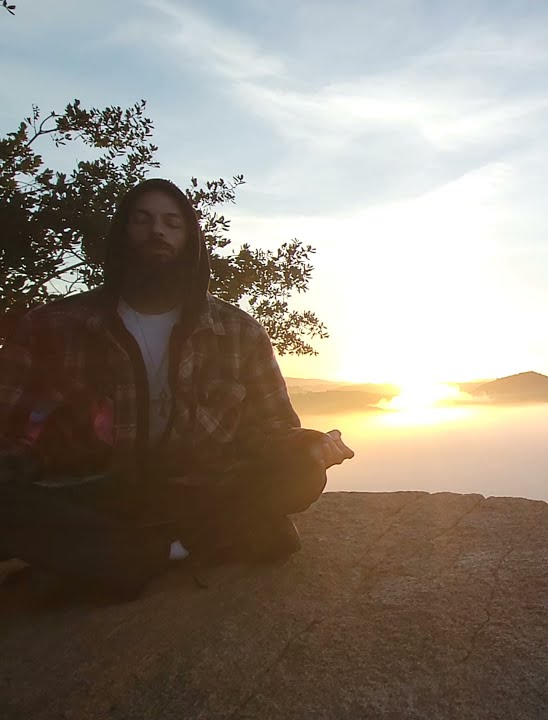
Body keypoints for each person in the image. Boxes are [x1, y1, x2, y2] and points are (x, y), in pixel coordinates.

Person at [0, 178, 353, 603]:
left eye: (172, 223)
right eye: (142, 220)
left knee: (300, 475)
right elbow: (11, 426)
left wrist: (309, 445)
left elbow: (272, 426)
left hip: (198, 488)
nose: (157, 232)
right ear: (122, 233)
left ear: (190, 240)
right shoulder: (53, 326)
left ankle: (116, 556)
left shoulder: (237, 332)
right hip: (89, 493)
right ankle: (182, 546)